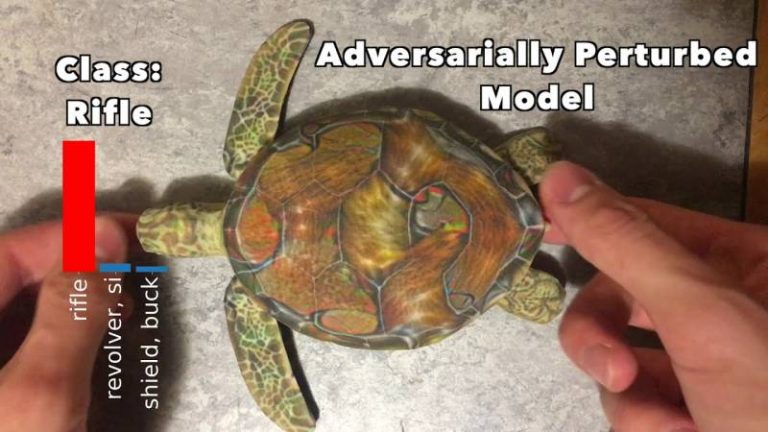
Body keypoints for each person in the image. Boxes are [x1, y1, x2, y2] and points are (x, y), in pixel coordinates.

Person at [0, 162, 765, 431]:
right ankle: (515, 244)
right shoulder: (254, 165)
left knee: (543, 298)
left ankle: (515, 286)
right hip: (440, 192)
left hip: (434, 257)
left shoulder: (249, 300)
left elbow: (279, 393)